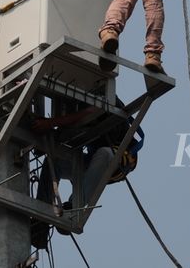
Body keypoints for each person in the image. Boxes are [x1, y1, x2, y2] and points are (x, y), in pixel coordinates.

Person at [29, 100, 143, 248]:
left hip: (120, 158)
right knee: (55, 160)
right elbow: (71, 128)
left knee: (105, 153)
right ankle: (41, 222)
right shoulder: (75, 98)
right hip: (93, 160)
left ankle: (73, 208)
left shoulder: (104, 96)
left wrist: (51, 123)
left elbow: (90, 112)